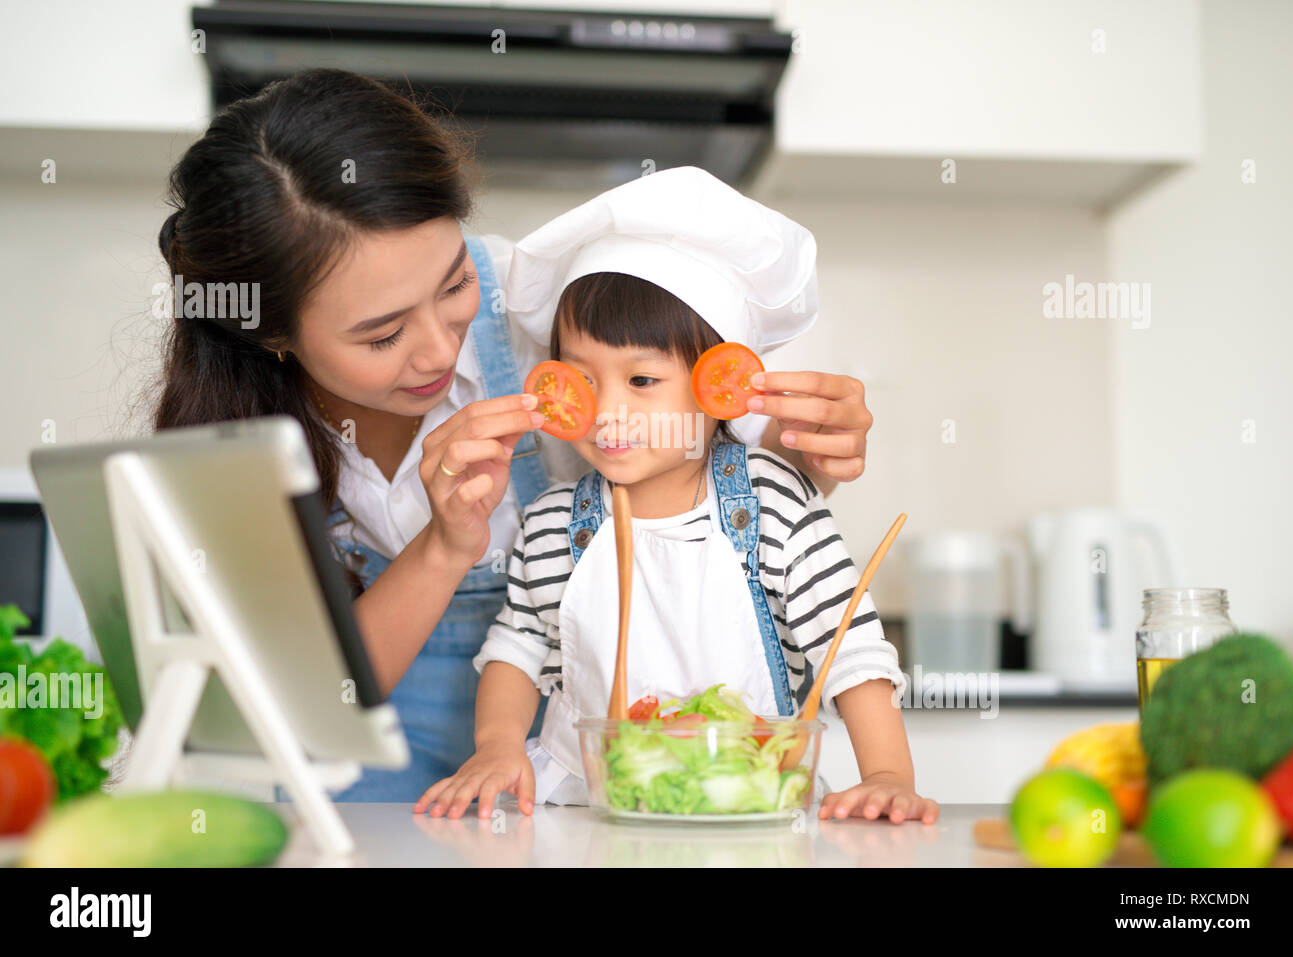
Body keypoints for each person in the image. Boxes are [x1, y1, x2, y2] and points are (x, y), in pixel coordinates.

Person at [151, 68, 876, 801]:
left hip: (532, 801)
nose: (438, 349)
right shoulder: (232, 437)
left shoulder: (551, 304)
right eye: (383, 335)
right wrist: (444, 547)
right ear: (274, 332)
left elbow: (715, 457)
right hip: (346, 798)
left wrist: (807, 452)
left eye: (453, 282)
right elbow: (291, 714)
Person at [414, 168, 939, 825]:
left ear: (720, 386)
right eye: (578, 378)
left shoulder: (773, 503)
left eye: (641, 378)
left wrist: (888, 774)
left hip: (746, 807)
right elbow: (516, 648)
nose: (607, 411)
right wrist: (495, 746)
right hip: (584, 813)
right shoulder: (553, 522)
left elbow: (852, 646)